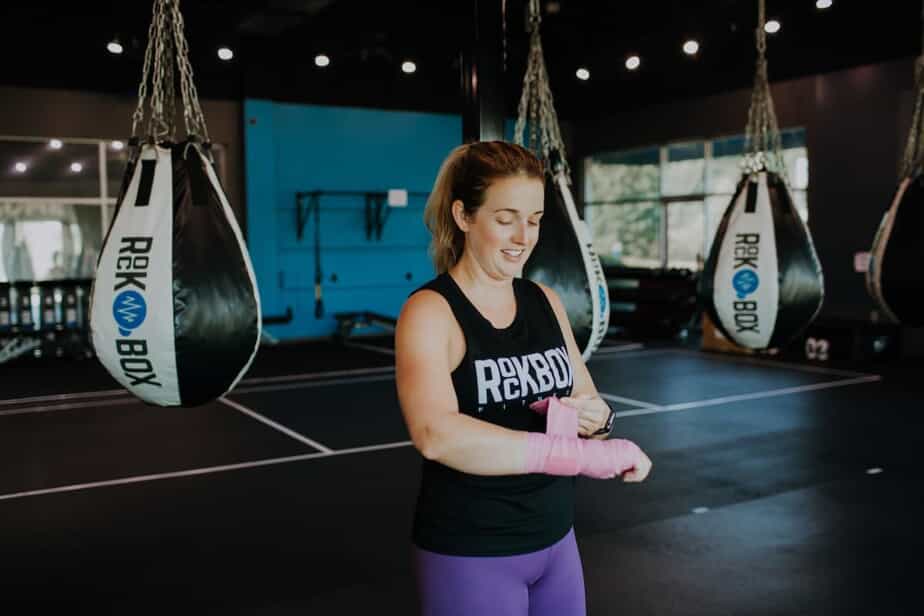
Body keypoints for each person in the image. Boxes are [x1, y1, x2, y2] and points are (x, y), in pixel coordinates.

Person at [395, 141, 652, 616]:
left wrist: (599, 422)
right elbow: (435, 435)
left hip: (556, 538)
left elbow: (588, 400)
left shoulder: (544, 300)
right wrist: (580, 455)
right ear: (464, 216)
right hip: (472, 548)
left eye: (533, 219)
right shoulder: (431, 311)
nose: (523, 236)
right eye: (505, 217)